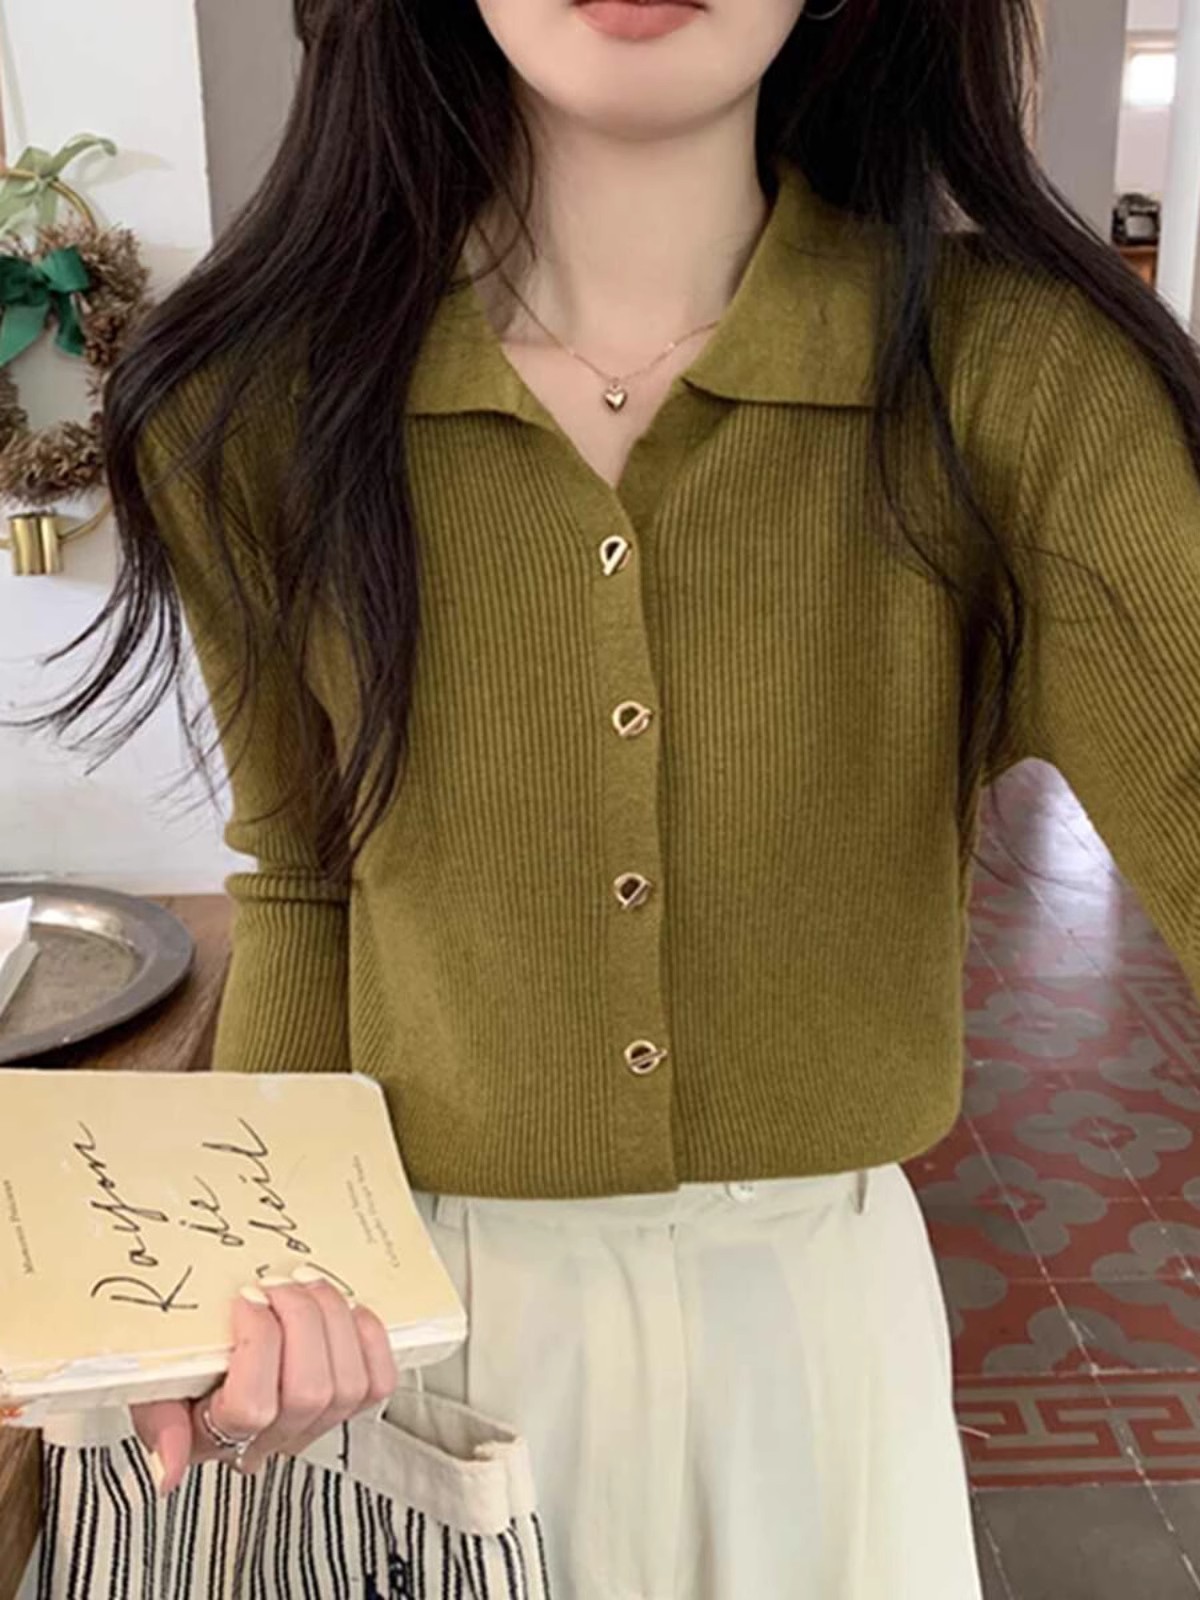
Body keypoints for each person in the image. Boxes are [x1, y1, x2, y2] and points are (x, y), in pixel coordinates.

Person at [25, 0, 1200, 1595]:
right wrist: (268, 1267)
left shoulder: (1021, 384)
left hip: (822, 1356)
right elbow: (302, 869)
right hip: (418, 1344)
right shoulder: (261, 404)